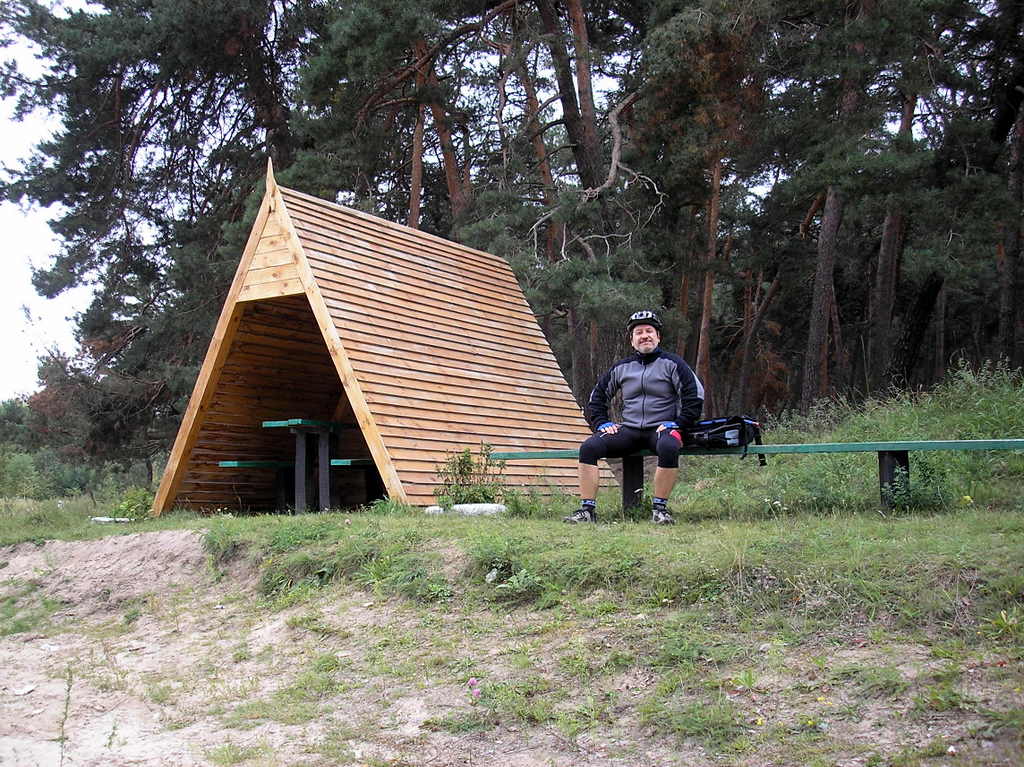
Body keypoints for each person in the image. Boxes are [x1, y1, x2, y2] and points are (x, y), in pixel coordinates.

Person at [565, 310, 704, 525]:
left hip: (661, 430)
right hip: (629, 430)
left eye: (649, 331)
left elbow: (695, 396)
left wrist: (678, 423)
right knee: (589, 448)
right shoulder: (621, 367)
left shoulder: (673, 363)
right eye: (639, 333)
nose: (644, 336)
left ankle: (659, 510)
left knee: (669, 446)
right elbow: (596, 398)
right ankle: (587, 511)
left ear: (658, 337)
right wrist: (602, 423)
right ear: (632, 341)